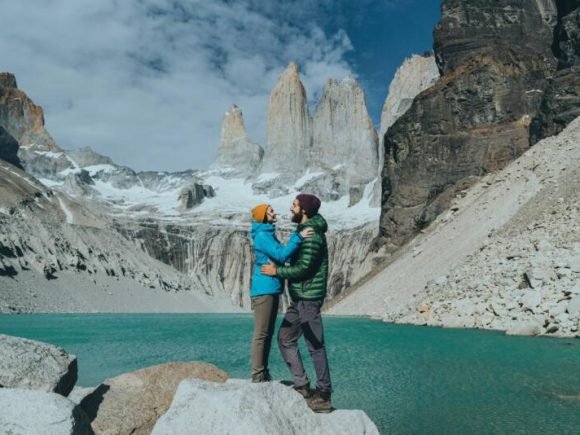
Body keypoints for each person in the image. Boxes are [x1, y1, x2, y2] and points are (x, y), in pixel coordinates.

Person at [261, 193, 332, 413]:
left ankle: (324, 395)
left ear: (304, 210)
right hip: (300, 297)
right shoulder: (304, 231)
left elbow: (305, 268)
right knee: (285, 338)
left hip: (309, 298)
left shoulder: (312, 235)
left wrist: (277, 271)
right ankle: (301, 385)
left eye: (294, 205)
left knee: (315, 345)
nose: (291, 209)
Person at [249, 203, 312, 383]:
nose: (274, 212)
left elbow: (278, 256)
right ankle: (257, 374)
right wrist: (298, 236)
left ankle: (263, 371)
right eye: (270, 210)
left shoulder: (266, 233)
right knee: (261, 333)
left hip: (271, 288)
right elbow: (282, 255)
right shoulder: (262, 235)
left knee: (267, 332)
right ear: (262, 215)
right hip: (264, 289)